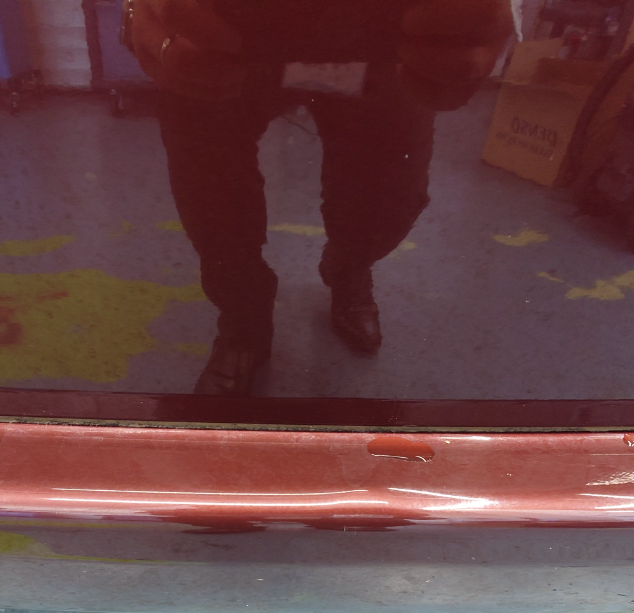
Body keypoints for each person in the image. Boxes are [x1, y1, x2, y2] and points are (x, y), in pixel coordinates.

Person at [128, 0, 513, 394]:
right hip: (228, 36)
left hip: (370, 46)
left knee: (389, 202)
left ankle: (348, 269)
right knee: (211, 200)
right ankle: (244, 321)